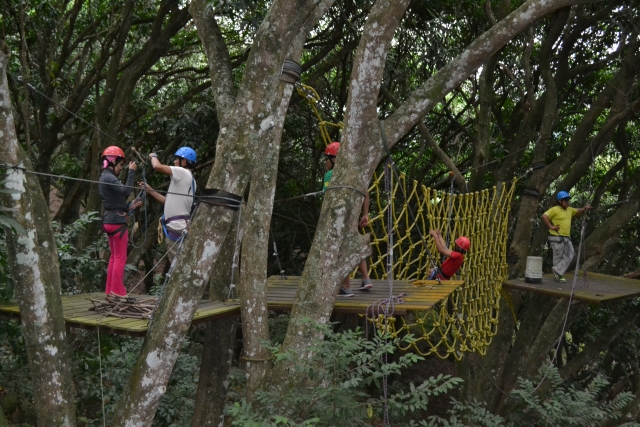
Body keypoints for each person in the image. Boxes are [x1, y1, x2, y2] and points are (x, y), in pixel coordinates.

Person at [322, 142, 373, 297]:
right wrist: (365, 214)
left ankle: (346, 286)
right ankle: (366, 279)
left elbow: (327, 197)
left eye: (327, 158)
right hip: (353, 216)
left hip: (339, 218)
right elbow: (365, 193)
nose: (326, 162)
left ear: (335, 160)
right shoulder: (355, 173)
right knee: (355, 245)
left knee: (341, 250)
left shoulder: (331, 174)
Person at [141, 147, 197, 261]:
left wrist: (153, 156)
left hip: (176, 228)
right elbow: (168, 201)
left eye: (177, 159)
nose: (174, 162)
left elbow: (157, 166)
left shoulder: (183, 172)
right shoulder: (189, 180)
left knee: (176, 269)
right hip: (180, 227)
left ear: (184, 162)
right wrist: (150, 190)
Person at [98, 146, 138, 296]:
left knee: (114, 257)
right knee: (120, 257)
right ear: (113, 162)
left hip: (109, 221)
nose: (121, 168)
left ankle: (110, 291)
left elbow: (117, 201)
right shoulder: (109, 177)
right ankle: (118, 292)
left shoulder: (104, 176)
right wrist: (131, 172)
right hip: (116, 223)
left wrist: (130, 206)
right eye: (121, 165)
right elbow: (127, 191)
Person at [541, 191, 592, 282]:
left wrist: (585, 208)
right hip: (556, 237)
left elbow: (578, 210)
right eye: (566, 201)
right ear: (560, 201)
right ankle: (558, 275)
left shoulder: (569, 209)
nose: (568, 202)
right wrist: (551, 226)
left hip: (566, 237)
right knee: (558, 256)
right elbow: (544, 216)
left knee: (570, 253)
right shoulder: (555, 209)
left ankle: (558, 271)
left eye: (568, 200)